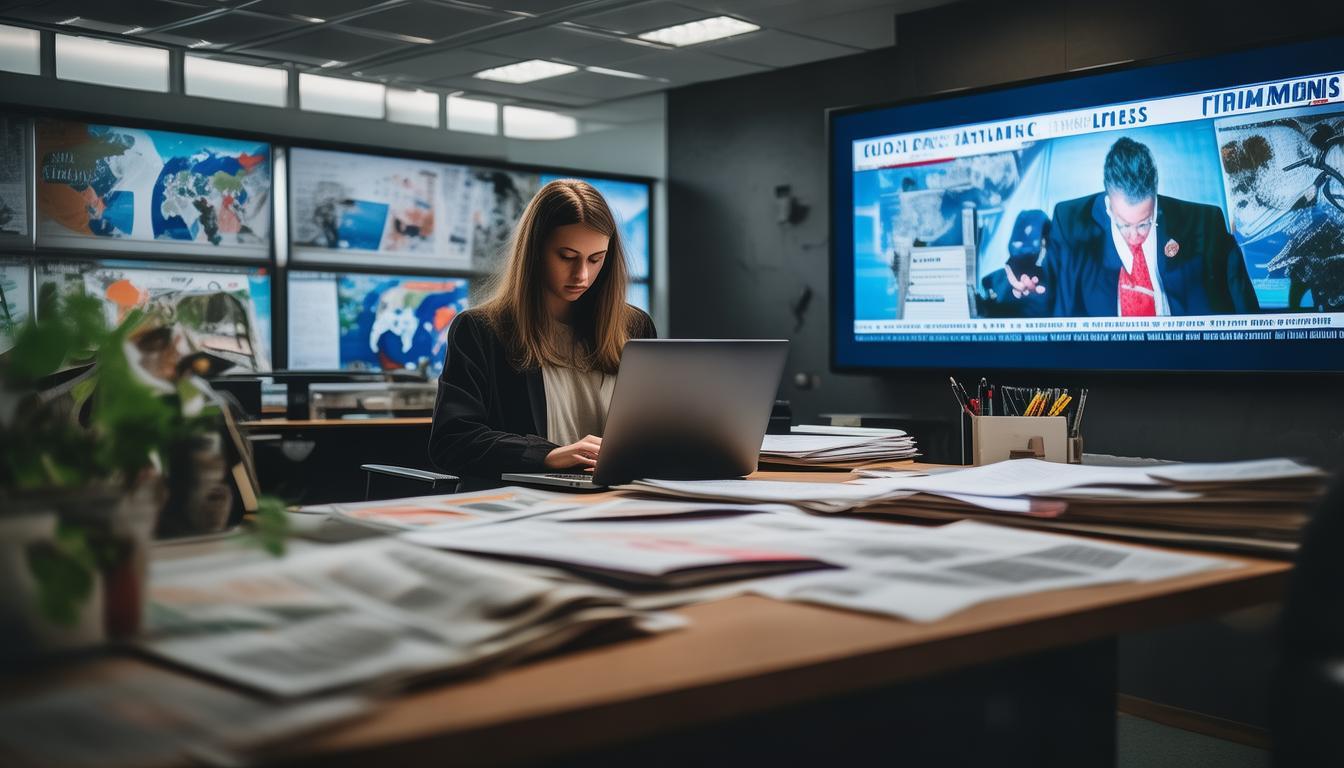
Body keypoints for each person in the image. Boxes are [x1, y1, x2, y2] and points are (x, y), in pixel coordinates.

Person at [428, 179, 655, 483]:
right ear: (534, 251)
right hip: (525, 506)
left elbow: (656, 428)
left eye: (595, 259)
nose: (582, 275)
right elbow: (453, 441)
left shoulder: (634, 327)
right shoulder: (480, 330)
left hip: (619, 497)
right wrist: (547, 456)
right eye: (567, 257)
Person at [997, 136, 1260, 317]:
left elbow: (1246, 314)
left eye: (1144, 223)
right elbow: (1055, 299)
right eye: (1123, 224)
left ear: (1155, 199)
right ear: (1108, 204)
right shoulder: (1070, 222)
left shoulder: (1206, 223)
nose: (1135, 235)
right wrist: (1031, 293)